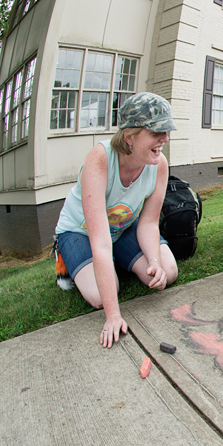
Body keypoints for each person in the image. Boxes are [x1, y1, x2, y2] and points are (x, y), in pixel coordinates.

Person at [54, 92, 179, 348]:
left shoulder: (159, 164)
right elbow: (99, 242)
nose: (164, 139)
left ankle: (116, 263)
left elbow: (148, 223)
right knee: (102, 295)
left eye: (166, 131)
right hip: (81, 232)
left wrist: (154, 261)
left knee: (168, 272)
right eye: (156, 132)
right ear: (129, 137)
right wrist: (113, 315)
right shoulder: (99, 159)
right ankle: (65, 257)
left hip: (122, 228)